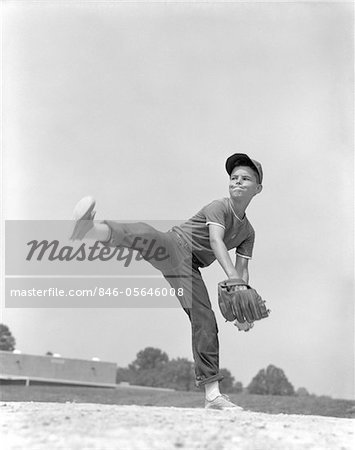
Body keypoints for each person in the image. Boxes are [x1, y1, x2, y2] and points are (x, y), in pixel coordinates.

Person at [70, 153, 263, 410]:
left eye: (245, 179)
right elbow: (216, 242)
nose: (237, 181)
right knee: (144, 232)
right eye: (233, 177)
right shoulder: (220, 207)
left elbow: (242, 269)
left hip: (190, 268)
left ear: (257, 189)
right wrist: (235, 281)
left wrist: (241, 309)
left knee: (204, 319)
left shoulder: (248, 232)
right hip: (174, 245)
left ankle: (212, 395)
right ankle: (91, 230)